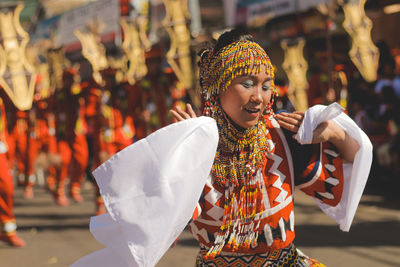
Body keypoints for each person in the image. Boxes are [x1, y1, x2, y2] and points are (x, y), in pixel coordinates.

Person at [72, 28, 372, 267]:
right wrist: (178, 157)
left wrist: (335, 132)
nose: (259, 96)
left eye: (266, 85)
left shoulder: (283, 136)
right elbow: (157, 221)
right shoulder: (198, 147)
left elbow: (351, 164)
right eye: (247, 83)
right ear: (218, 86)